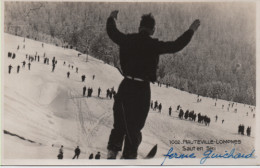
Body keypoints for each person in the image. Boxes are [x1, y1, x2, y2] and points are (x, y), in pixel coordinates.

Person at [106, 10, 200, 159]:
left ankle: (112, 154)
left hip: (126, 86)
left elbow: (112, 32)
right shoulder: (154, 45)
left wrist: (111, 18)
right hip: (142, 90)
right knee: (134, 127)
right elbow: (176, 45)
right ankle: (129, 157)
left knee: (119, 124)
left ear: (139, 27)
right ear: (153, 29)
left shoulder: (128, 40)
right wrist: (191, 30)